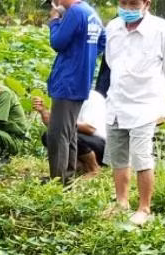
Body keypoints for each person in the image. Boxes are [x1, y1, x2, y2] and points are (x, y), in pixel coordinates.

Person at [104, 0, 165, 225]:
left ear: (146, 3)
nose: (127, 8)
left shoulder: (162, 30)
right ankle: (121, 202)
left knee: (141, 157)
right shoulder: (113, 28)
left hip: (145, 106)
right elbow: (110, 62)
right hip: (116, 102)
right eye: (123, 3)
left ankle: (144, 208)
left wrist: (157, 101)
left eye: (133, 3)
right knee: (119, 157)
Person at [46, 0, 105, 185]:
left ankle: (58, 181)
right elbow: (103, 40)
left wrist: (54, 20)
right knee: (69, 131)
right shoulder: (91, 12)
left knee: (57, 134)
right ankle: (67, 175)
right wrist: (84, 56)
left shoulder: (74, 12)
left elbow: (57, 42)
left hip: (67, 81)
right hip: (80, 79)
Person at [33, 90, 106, 179]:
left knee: (71, 136)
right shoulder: (64, 97)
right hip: (81, 140)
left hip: (100, 143)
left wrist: (62, 121)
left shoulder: (92, 97)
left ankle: (93, 168)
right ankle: (75, 168)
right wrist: (43, 112)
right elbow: (57, 126)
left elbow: (90, 128)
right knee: (49, 136)